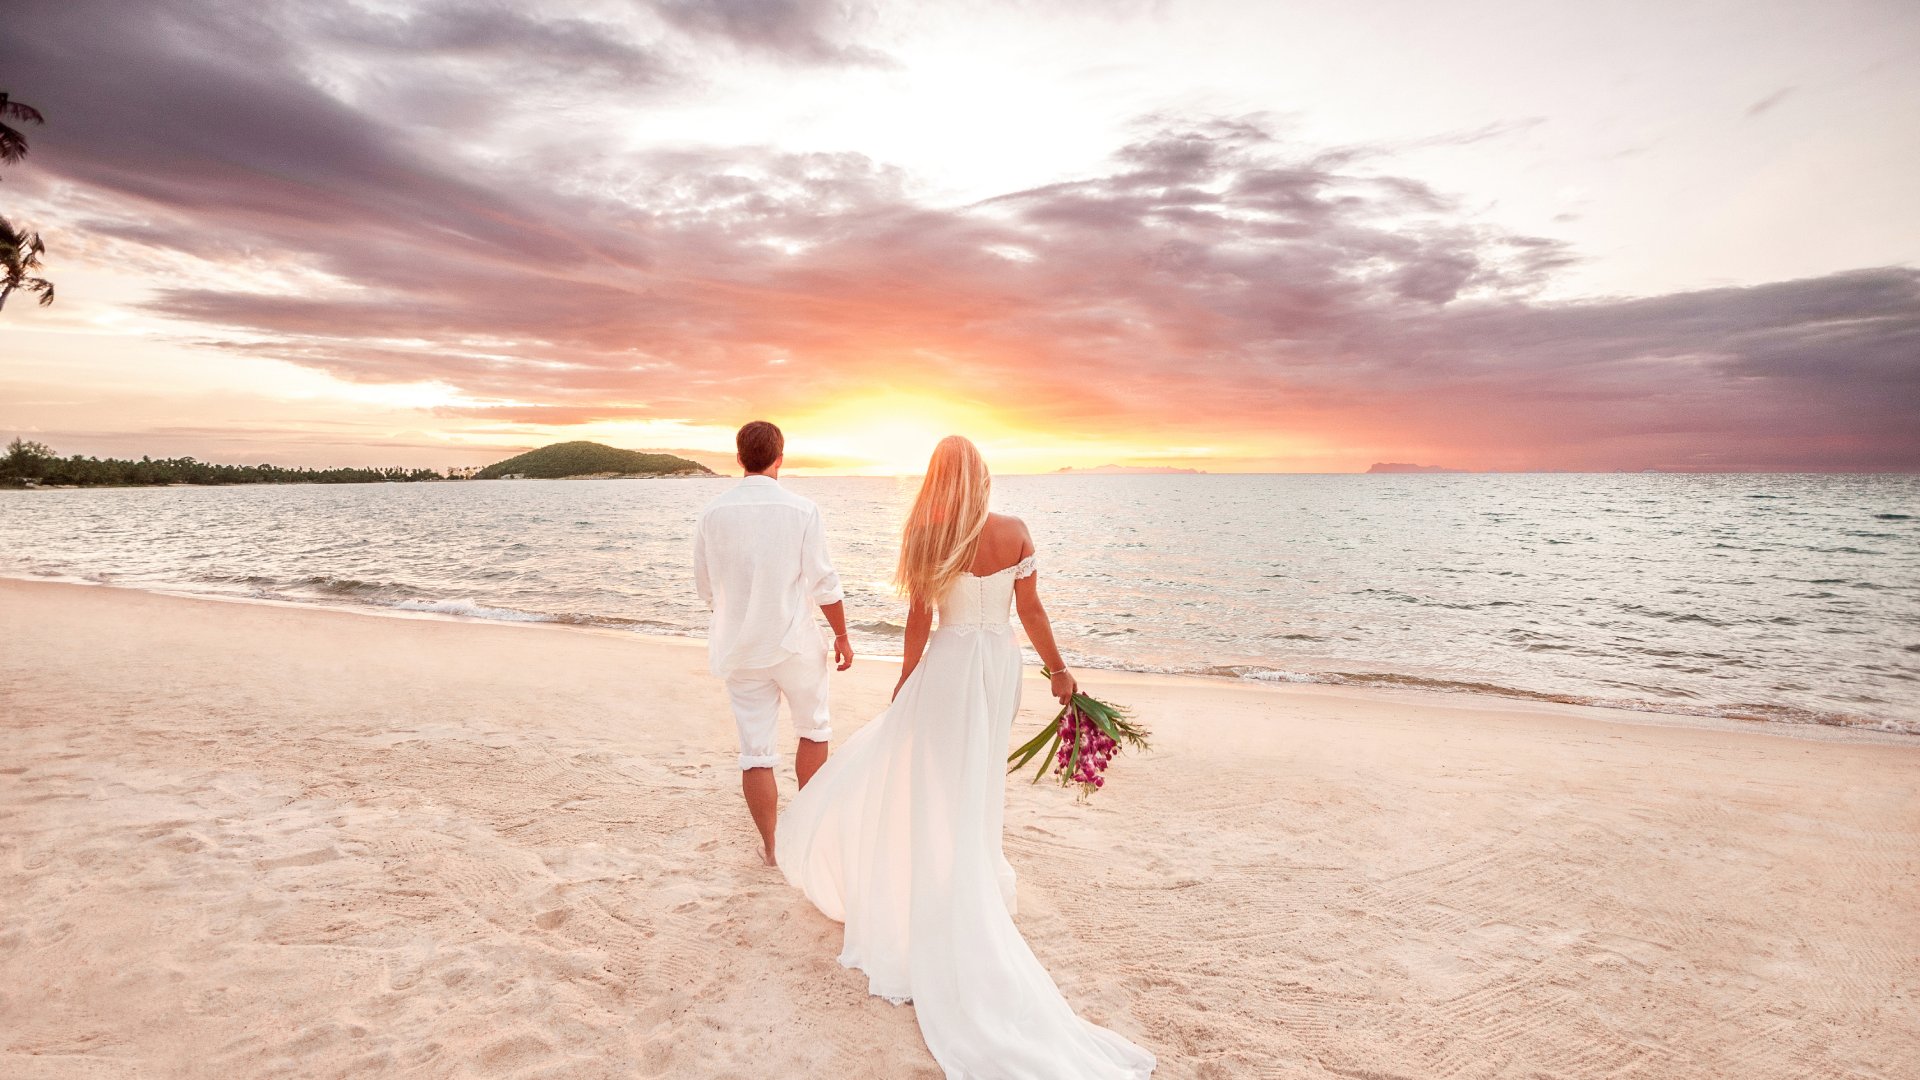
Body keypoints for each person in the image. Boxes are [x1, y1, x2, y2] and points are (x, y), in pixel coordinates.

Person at [776, 435, 1155, 1078]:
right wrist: (1059, 672)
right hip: (996, 667)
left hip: (949, 667)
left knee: (934, 781)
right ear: (981, 477)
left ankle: (940, 882)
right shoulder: (1014, 531)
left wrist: (905, 680)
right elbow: (1029, 609)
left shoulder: (925, 534)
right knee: (977, 779)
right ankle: (968, 877)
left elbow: (921, 620)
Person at [693, 420, 854, 866]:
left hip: (740, 649)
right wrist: (841, 635)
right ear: (780, 457)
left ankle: (771, 847)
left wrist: (739, 615)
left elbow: (705, 588)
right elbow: (824, 582)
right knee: (814, 729)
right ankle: (808, 833)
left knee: (755, 753)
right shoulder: (802, 510)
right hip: (796, 644)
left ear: (740, 458)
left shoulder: (713, 514)